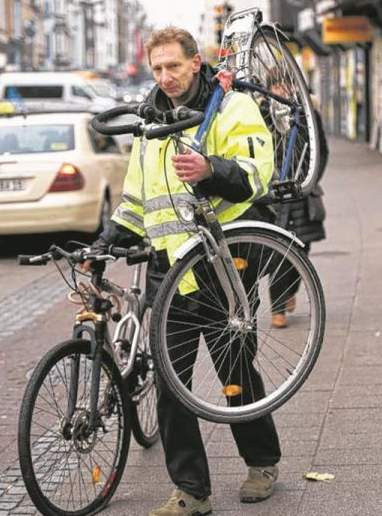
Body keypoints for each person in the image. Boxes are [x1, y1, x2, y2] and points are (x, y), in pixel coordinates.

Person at [92, 27, 281, 516]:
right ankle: (191, 492)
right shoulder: (148, 122)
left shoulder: (232, 107)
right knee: (170, 382)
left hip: (224, 265)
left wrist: (211, 169)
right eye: (157, 68)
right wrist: (106, 241)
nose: (165, 76)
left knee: (235, 371)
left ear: (196, 62)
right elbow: (136, 198)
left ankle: (262, 463)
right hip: (168, 268)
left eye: (173, 66)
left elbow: (259, 173)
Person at [263, 69, 329, 329]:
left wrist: (311, 179)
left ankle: (290, 290)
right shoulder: (262, 115)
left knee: (302, 248)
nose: (280, 90)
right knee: (278, 251)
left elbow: (322, 149)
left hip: (302, 191)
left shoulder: (308, 115)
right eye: (275, 86)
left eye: (285, 85)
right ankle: (277, 308)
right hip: (275, 194)